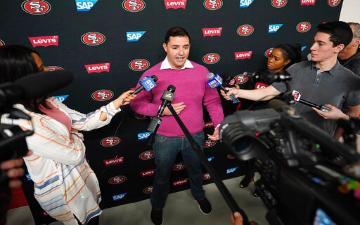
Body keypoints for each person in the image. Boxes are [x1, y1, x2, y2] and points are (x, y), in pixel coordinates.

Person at [0, 45, 136, 225]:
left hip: (81, 180)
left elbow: (83, 121)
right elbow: (74, 155)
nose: (47, 72)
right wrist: (76, 136)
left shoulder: (46, 102)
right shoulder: (21, 122)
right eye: (39, 70)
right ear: (21, 77)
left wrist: (117, 103)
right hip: (64, 193)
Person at [130, 26, 224, 225]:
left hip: (195, 135)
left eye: (185, 47)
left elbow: (213, 102)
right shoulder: (152, 74)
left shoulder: (202, 71)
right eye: (175, 47)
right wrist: (161, 110)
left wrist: (219, 124)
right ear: (165, 47)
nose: (181, 52)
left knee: (196, 170)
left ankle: (199, 195)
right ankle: (157, 205)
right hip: (165, 138)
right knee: (162, 175)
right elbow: (136, 103)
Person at [222, 21, 360, 136]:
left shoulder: (350, 80)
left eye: (320, 43)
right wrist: (237, 92)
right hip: (287, 141)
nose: (312, 47)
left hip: (319, 148)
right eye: (314, 42)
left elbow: (354, 116)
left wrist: (341, 118)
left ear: (338, 47)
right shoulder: (297, 68)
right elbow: (267, 93)